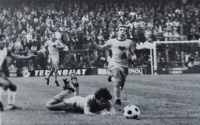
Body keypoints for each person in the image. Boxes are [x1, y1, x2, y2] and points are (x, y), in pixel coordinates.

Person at [90, 25, 136, 106]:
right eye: (121, 30)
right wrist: (92, 42)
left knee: (121, 85)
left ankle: (110, 76)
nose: (122, 31)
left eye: (124, 30)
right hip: (114, 63)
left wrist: (134, 57)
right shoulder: (112, 41)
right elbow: (101, 48)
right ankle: (117, 100)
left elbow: (132, 53)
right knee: (117, 80)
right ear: (117, 31)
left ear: (126, 32)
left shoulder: (129, 42)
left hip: (124, 65)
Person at [0, 34, 35, 111]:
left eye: (4, 39)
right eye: (1, 39)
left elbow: (14, 56)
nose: (4, 41)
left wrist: (27, 57)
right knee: (5, 84)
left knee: (13, 87)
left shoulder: (5, 49)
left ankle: (10, 105)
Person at [46, 77, 116, 115]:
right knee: (49, 106)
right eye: (102, 101)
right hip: (73, 104)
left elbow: (113, 113)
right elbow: (87, 113)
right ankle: (67, 91)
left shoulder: (107, 102)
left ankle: (75, 88)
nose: (104, 103)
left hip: (79, 103)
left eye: (105, 101)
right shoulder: (89, 99)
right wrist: (101, 114)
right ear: (97, 98)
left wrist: (109, 113)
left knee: (77, 98)